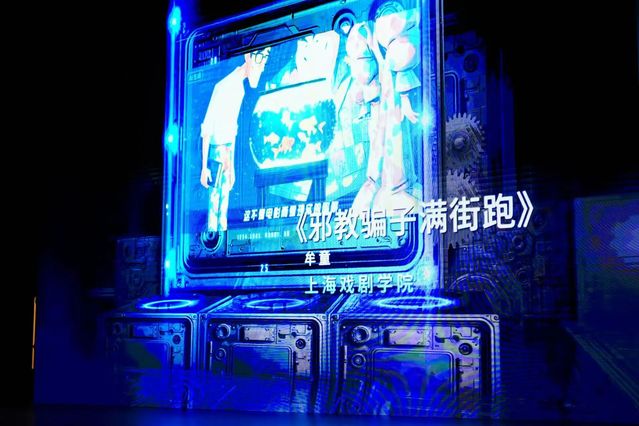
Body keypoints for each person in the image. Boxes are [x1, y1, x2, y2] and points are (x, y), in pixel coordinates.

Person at [199, 47, 271, 239]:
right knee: (215, 206)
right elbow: (208, 127)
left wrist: (231, 166)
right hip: (216, 153)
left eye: (265, 59)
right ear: (248, 56)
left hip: (225, 153)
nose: (262, 66)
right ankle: (215, 245)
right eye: (260, 58)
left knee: (223, 207)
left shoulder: (239, 87)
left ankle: (221, 244)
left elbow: (232, 130)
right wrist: (204, 167)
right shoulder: (224, 86)